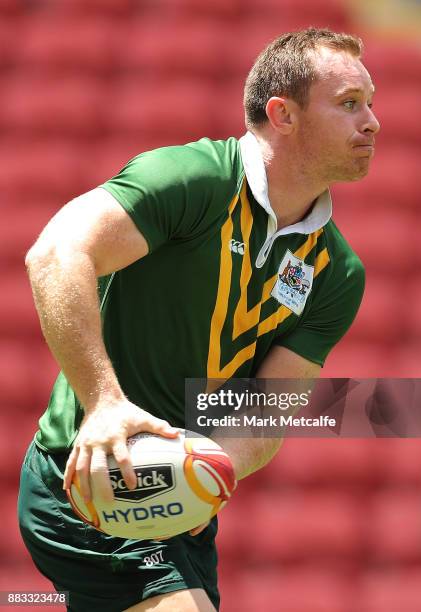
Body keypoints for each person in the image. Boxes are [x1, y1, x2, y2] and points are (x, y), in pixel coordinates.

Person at [18, 27, 380, 612]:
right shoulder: (193, 179)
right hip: (88, 474)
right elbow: (56, 254)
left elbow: (266, 409)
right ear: (282, 114)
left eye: (371, 104)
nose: (372, 122)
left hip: (175, 497)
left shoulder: (338, 273)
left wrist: (211, 470)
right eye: (348, 104)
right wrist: (105, 403)